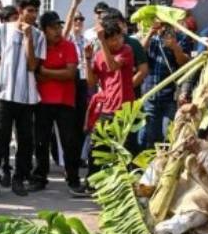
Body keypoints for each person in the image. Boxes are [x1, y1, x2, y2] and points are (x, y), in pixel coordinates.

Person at [0, 0, 45, 198]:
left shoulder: (38, 36)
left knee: (25, 141)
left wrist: (28, 37)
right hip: (3, 94)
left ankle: (19, 178)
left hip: (26, 97)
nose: (33, 15)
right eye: (30, 10)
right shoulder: (2, 29)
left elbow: (32, 66)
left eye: (36, 11)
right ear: (20, 10)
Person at [34, 9, 84, 193]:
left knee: (69, 141)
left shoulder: (68, 46)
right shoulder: (39, 47)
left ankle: (73, 179)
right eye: (52, 27)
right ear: (44, 30)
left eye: (59, 27)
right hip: (43, 101)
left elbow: (70, 73)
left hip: (65, 101)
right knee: (41, 141)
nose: (57, 31)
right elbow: (35, 73)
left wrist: (46, 72)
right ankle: (40, 177)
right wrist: (54, 73)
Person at [83, 18, 138, 178]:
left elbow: (112, 66)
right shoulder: (99, 55)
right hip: (106, 108)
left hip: (125, 109)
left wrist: (102, 42)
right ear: (106, 40)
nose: (118, 41)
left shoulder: (126, 50)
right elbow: (91, 82)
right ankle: (93, 182)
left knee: (125, 149)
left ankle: (127, 183)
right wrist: (88, 59)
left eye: (119, 37)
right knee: (97, 148)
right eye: (113, 39)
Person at [139, 16, 193, 150]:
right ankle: (148, 161)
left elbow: (184, 63)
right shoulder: (150, 37)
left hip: (170, 95)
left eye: (165, 24)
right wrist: (150, 33)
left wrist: (175, 47)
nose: (163, 27)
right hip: (150, 94)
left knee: (167, 135)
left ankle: (164, 160)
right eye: (160, 23)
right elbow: (139, 53)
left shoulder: (182, 38)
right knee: (148, 134)